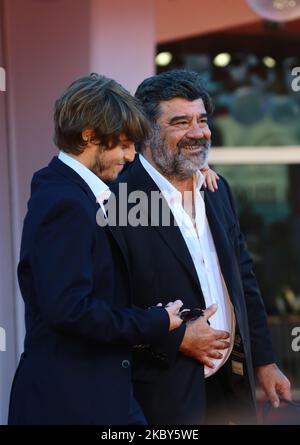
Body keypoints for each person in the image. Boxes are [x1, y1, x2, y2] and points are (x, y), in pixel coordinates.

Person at [112, 70, 291, 425]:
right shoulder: (120, 200)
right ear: (147, 131)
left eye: (202, 120)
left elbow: (243, 277)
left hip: (229, 386)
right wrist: (175, 338)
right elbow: (109, 308)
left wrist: (265, 362)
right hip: (161, 396)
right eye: (180, 122)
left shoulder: (216, 189)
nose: (198, 132)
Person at [8, 73, 183, 425]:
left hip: (100, 397)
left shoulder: (84, 193)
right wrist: (155, 321)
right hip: (69, 403)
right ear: (89, 136)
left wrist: (197, 172)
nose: (131, 156)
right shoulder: (65, 203)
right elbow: (71, 310)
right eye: (123, 145)